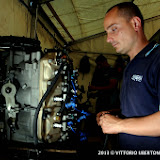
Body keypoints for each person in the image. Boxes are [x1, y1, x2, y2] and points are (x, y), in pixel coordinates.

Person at [97, 2, 160, 150]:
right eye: (107, 32)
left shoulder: (156, 59)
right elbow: (143, 108)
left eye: (114, 29)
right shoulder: (130, 65)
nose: (108, 39)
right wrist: (112, 115)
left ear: (135, 23)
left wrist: (118, 125)